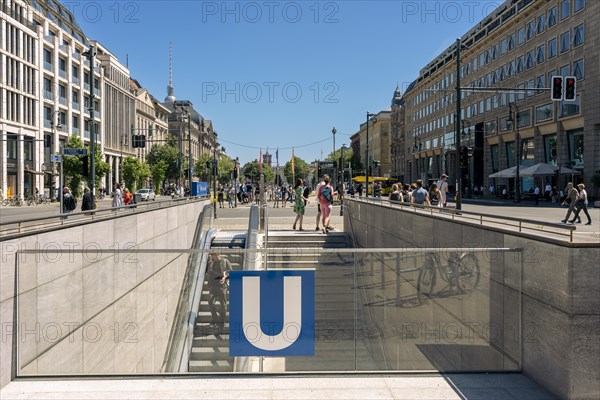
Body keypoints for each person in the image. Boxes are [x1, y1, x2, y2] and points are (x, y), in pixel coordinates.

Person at [206, 253, 230, 330]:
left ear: (219, 255)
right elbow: (207, 273)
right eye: (213, 256)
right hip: (213, 285)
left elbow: (231, 272)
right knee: (210, 302)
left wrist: (224, 278)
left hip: (222, 286)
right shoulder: (210, 262)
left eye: (216, 255)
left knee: (223, 304)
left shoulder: (225, 261)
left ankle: (222, 322)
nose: (215, 257)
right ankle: (215, 319)